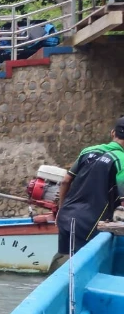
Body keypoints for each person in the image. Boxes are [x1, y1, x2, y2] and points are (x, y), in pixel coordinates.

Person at [49, 117, 124, 273]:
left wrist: (61, 209)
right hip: (90, 223)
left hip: (66, 216)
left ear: (112, 133)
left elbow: (65, 181)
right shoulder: (121, 159)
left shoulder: (88, 151)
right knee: (82, 267)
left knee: (64, 258)